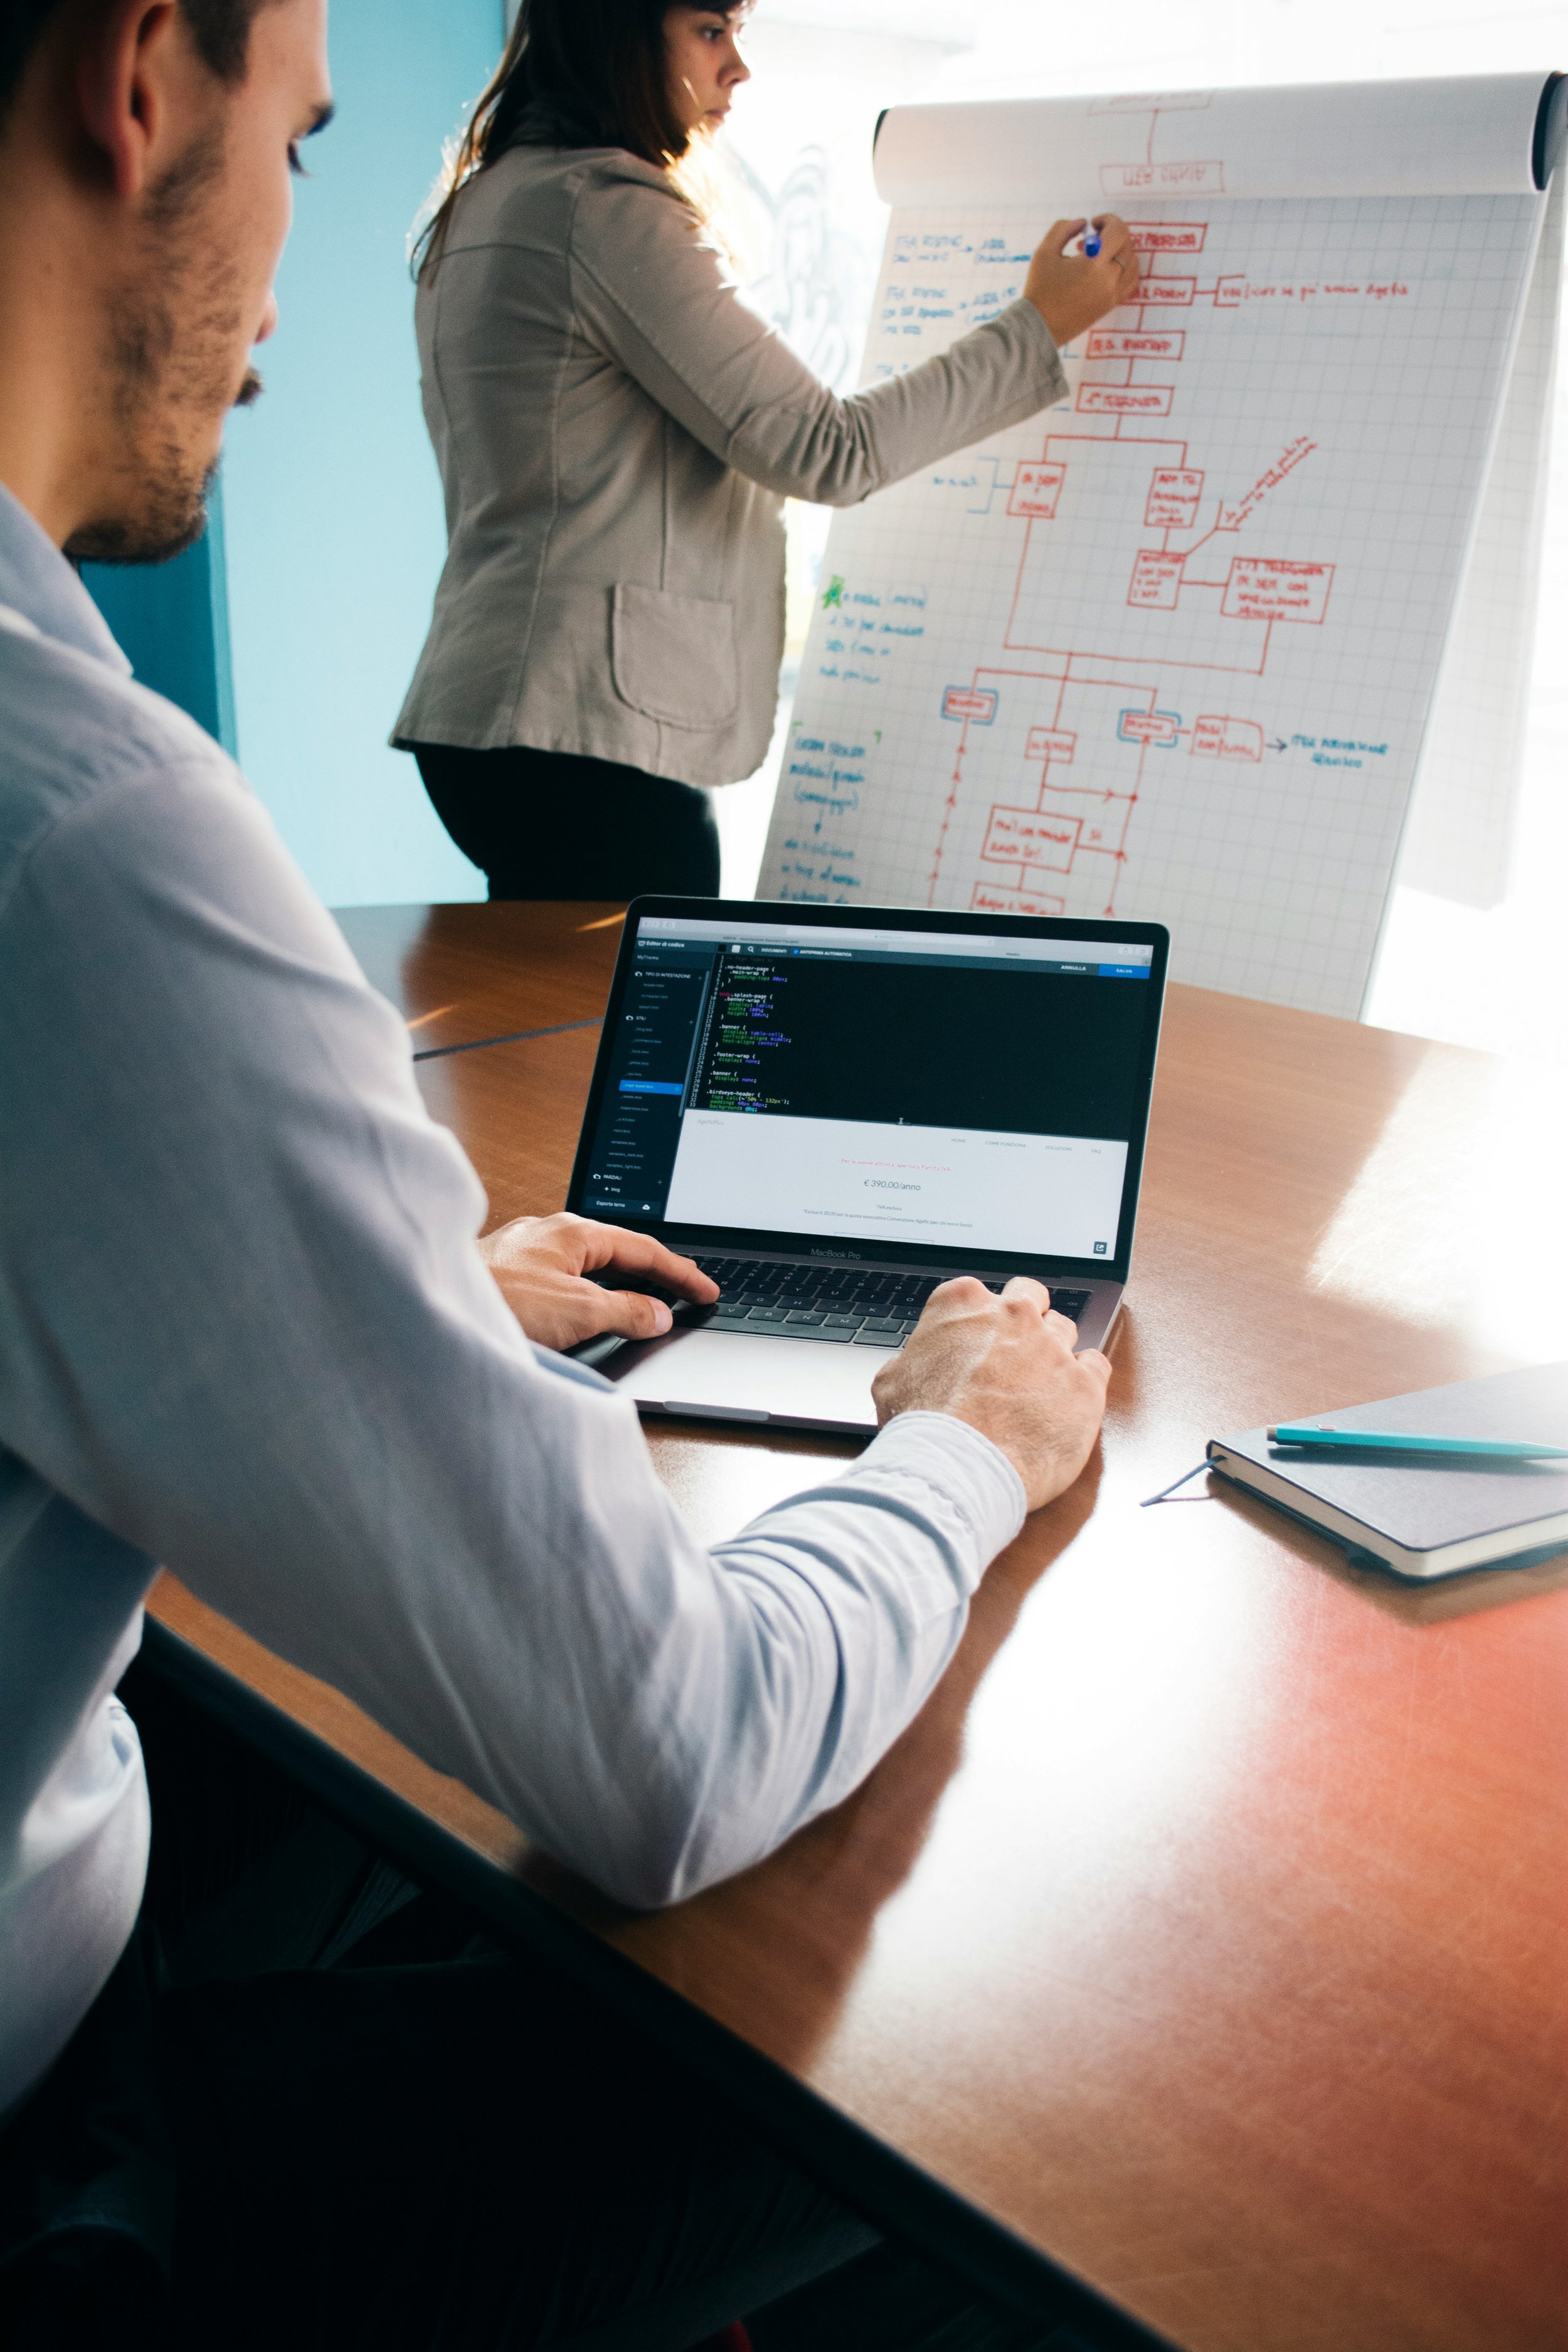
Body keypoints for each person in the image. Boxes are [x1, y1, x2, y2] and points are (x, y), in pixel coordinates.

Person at [0, 1, 1113, 2344]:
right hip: (59, 2168)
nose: (295, 278)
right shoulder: (79, 840)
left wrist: (390, 1291)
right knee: (975, 2040)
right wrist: (957, 1455)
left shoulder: (485, 219)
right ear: (135, 85)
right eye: (297, 134)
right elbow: (674, 1746)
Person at [393, 0, 1138, 901]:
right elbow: (828, 447)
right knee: (650, 1035)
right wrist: (1038, 326)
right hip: (583, 736)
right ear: (619, 33)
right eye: (713, 30)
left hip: (491, 720)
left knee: (558, 1034)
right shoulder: (602, 213)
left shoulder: (490, 200)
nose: (737, 67)